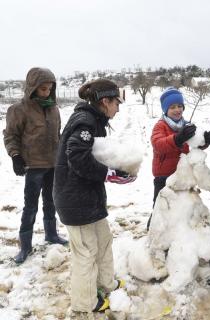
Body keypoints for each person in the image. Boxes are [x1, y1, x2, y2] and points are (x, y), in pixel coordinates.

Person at [53, 79, 135, 314]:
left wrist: (117, 168)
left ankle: (105, 283)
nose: (118, 108)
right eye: (116, 102)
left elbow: (94, 156)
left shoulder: (96, 120)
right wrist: (109, 174)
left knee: (103, 240)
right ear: (104, 101)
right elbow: (77, 156)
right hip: (74, 200)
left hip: (88, 196)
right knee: (85, 253)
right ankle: (85, 303)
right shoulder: (85, 121)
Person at [3, 67, 67, 264]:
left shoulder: (54, 109)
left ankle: (51, 234)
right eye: (42, 89)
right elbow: (10, 135)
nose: (47, 92)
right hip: (33, 166)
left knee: (51, 202)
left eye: (49, 89)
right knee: (30, 206)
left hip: (53, 164)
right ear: (32, 88)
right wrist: (15, 156)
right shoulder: (19, 109)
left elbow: (58, 135)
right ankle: (26, 246)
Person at [147, 87, 210, 229]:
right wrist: (177, 139)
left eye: (179, 106)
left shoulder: (186, 125)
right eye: (172, 107)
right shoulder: (161, 126)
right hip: (163, 175)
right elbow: (158, 144)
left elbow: (194, 144)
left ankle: (177, 231)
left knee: (180, 205)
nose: (177, 110)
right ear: (165, 110)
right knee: (160, 205)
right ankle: (153, 230)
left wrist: (204, 141)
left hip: (182, 175)